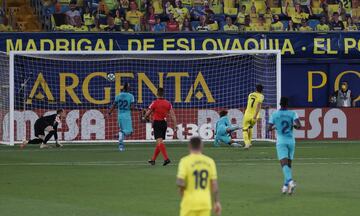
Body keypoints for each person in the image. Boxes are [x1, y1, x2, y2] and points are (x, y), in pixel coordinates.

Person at [176, 137, 221, 216]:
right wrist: (217, 202)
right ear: (201, 146)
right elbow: (214, 184)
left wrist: (181, 191)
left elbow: (180, 181)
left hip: (189, 203)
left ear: (189, 146)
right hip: (205, 203)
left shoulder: (184, 161)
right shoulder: (210, 161)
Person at [268, 97, 301, 195]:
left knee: (283, 163)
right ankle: (286, 186)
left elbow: (269, 128)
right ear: (287, 104)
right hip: (291, 141)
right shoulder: (293, 113)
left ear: (280, 104)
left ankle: (290, 181)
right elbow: (299, 126)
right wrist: (294, 126)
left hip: (281, 141)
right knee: (289, 164)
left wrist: (275, 126)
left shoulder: (274, 114)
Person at [145, 87, 177, 166]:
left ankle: (166, 159)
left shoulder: (154, 103)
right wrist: (175, 124)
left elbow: (147, 114)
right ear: (163, 94)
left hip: (157, 123)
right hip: (164, 123)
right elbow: (173, 115)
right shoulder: (168, 103)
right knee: (159, 143)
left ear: (157, 93)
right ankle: (153, 160)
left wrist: (145, 117)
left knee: (159, 142)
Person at [108, 83, 135, 151]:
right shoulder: (131, 96)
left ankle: (120, 138)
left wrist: (109, 112)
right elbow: (132, 108)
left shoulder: (118, 95)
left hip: (120, 115)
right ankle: (120, 141)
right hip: (127, 115)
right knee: (128, 132)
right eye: (129, 87)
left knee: (126, 131)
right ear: (127, 88)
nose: (130, 88)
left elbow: (114, 105)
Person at [242, 84, 264, 149]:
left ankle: (247, 143)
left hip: (247, 114)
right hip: (255, 116)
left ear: (256, 89)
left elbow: (250, 104)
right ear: (262, 90)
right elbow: (258, 106)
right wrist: (255, 115)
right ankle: (250, 142)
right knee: (250, 127)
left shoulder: (250, 95)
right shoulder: (261, 96)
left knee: (245, 129)